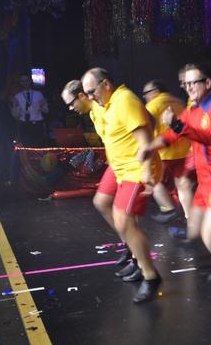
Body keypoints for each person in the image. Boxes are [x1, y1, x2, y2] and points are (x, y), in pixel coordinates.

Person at [139, 63, 211, 311]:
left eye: (192, 83)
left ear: (207, 83)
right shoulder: (193, 110)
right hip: (205, 180)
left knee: (210, 236)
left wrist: (176, 124)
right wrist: (150, 147)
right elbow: (171, 136)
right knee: (194, 230)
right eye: (185, 84)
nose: (188, 88)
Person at [81, 68, 163, 303]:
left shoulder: (124, 100)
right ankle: (136, 255)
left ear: (106, 84)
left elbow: (144, 140)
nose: (90, 97)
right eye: (87, 94)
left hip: (135, 169)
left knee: (123, 219)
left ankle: (150, 276)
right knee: (106, 205)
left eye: (92, 91)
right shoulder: (102, 105)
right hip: (120, 168)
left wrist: (147, 172)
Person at [61, 80, 132, 268]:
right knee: (101, 202)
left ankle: (138, 257)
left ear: (82, 96)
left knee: (126, 213)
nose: (70, 108)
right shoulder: (93, 113)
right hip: (116, 162)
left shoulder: (102, 108)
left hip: (129, 163)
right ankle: (130, 245)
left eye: (71, 103)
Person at [142, 79, 194, 223]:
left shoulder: (152, 105)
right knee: (182, 184)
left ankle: (168, 209)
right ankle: (189, 217)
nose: (145, 96)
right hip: (184, 151)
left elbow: (145, 127)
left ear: (155, 91)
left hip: (163, 152)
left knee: (154, 181)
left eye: (146, 93)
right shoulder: (179, 102)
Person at [10, 74, 49, 146]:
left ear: (30, 81)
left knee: (38, 147)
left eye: (26, 80)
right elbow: (15, 115)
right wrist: (15, 105)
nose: (25, 82)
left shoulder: (38, 94)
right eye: (22, 81)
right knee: (26, 147)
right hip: (24, 125)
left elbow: (46, 111)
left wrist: (42, 104)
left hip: (37, 124)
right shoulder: (18, 96)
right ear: (20, 83)